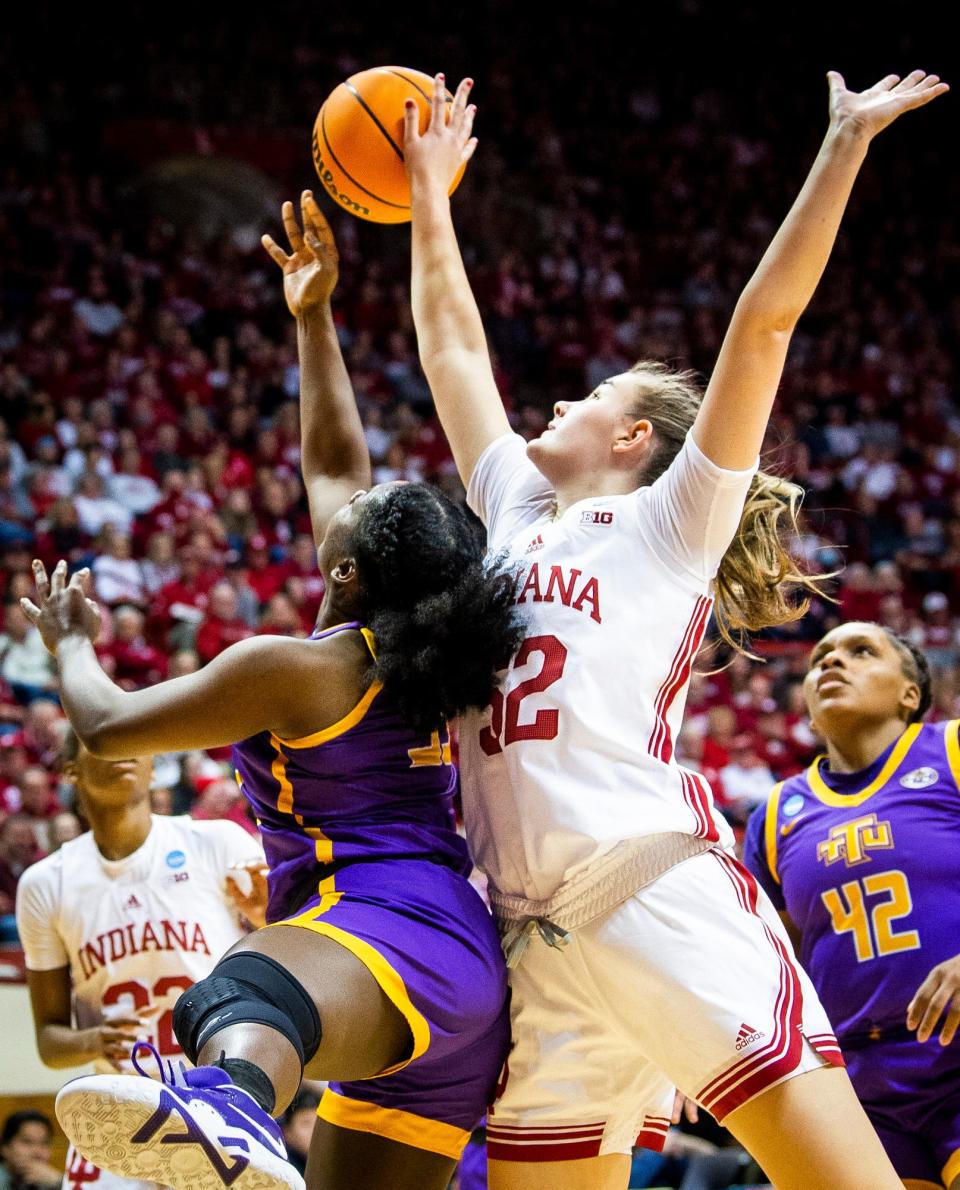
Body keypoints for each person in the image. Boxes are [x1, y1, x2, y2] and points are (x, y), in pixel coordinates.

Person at [402, 68, 948, 1190]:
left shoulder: (668, 519)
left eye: (584, 396)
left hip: (651, 891)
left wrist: (842, 141)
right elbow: (453, 351)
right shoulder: (509, 509)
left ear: (637, 432)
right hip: (530, 945)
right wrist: (428, 194)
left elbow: (767, 322)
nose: (549, 407)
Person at [30, 194, 522, 1190]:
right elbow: (337, 462)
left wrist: (72, 644)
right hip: (453, 976)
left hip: (373, 928)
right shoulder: (423, 652)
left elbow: (109, 720)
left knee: (227, 994)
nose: (346, 495)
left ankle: (228, 1105)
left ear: (346, 573)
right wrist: (312, 316)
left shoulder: (300, 668)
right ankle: (238, 1099)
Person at [742, 623, 960, 1190]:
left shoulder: (952, 749)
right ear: (809, 708)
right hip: (858, 1080)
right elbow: (770, 960)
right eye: (820, 659)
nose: (833, 663)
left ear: (910, 694)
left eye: (861, 652)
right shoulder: (776, 814)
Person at [15, 725, 267, 1190]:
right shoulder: (45, 883)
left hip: (218, 1097)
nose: (124, 749)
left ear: (154, 766)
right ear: (70, 769)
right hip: (121, 1107)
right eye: (103, 740)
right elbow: (50, 1043)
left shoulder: (217, 843)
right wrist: (94, 1041)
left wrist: (270, 920)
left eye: (135, 741)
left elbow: (293, 963)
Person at [0, 1112, 61, 1190]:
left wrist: (59, 1182)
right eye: (27, 1142)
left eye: (45, 1143)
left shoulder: (51, 1181)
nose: (37, 1152)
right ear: (5, 1147)